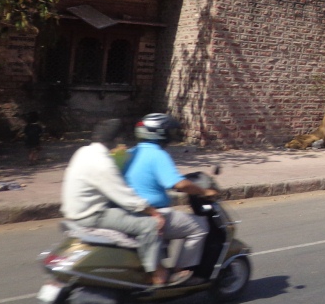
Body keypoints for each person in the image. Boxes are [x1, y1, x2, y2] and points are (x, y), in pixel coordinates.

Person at [60, 119, 167, 285]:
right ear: (117, 140)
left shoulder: (83, 151)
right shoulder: (103, 163)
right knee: (150, 225)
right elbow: (127, 198)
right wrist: (154, 213)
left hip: (75, 211)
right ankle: (155, 273)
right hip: (92, 215)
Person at [124, 113, 217, 286]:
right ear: (159, 133)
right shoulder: (158, 155)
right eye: (168, 131)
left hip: (129, 213)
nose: (171, 135)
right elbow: (178, 184)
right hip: (152, 214)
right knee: (200, 226)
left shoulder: (131, 153)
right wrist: (204, 191)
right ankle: (180, 271)